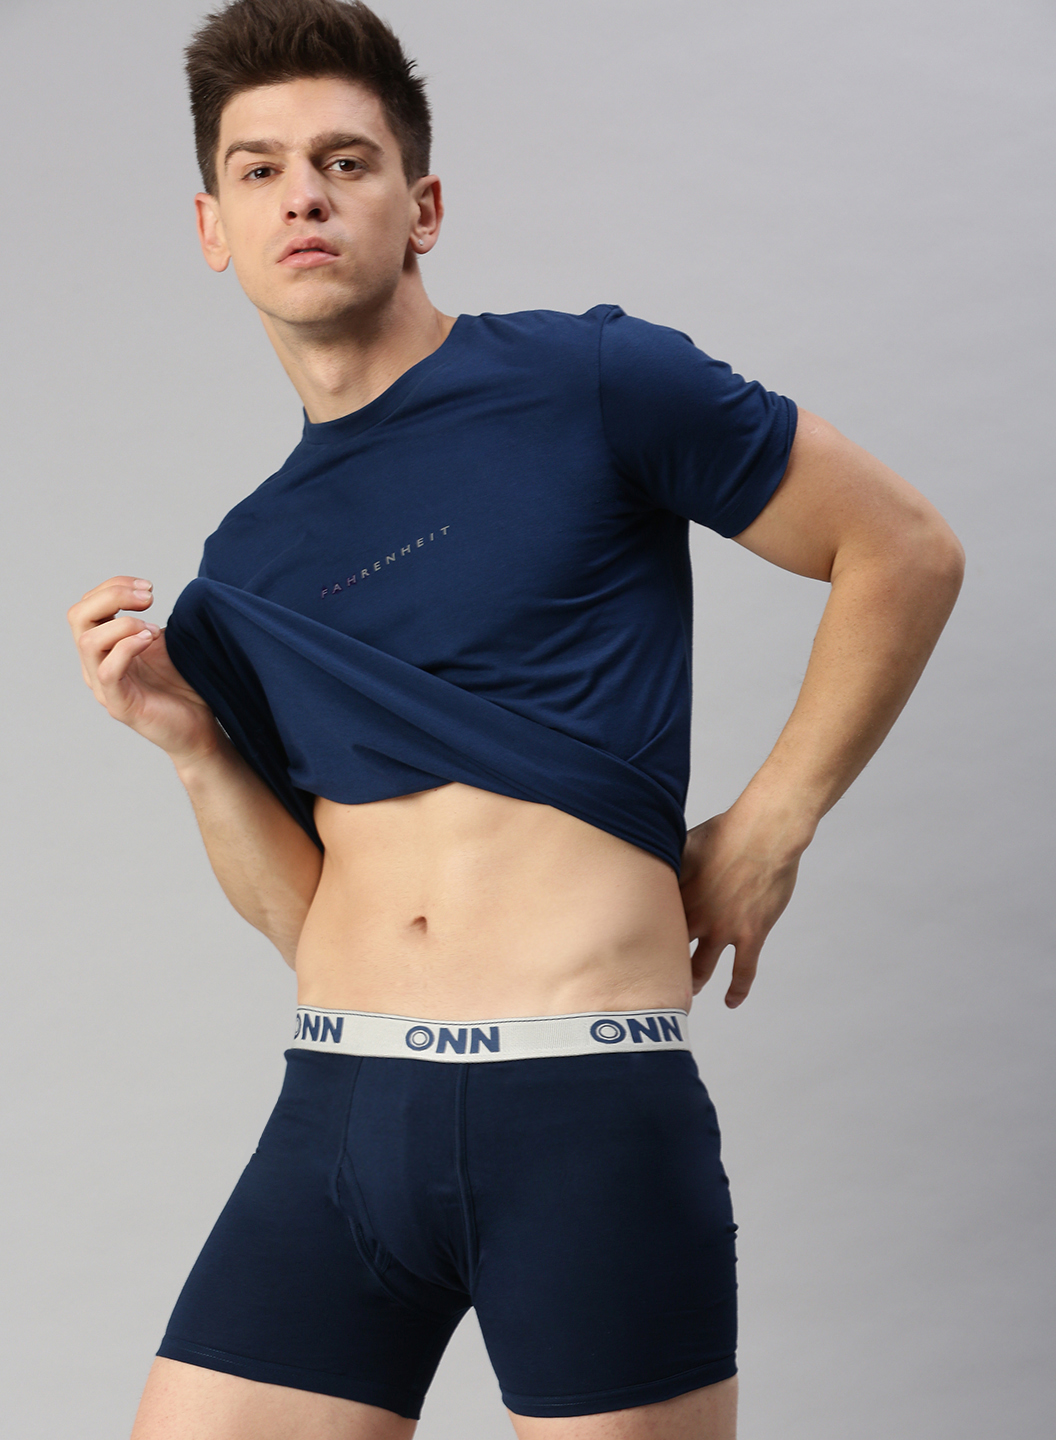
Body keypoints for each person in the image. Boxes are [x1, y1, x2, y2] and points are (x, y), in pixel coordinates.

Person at [66, 2, 964, 1436]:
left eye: (345, 162)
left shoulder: (592, 384)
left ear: (420, 207)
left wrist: (773, 821)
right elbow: (307, 917)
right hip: (341, 1111)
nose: (303, 195)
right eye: (259, 169)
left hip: (582, 1116)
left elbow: (903, 548)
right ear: (213, 228)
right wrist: (191, 747)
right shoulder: (245, 573)